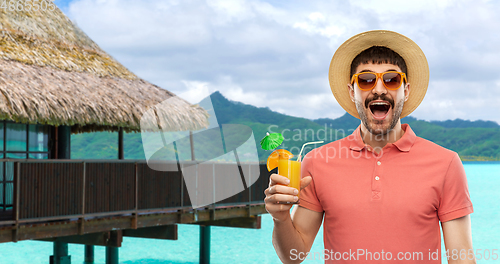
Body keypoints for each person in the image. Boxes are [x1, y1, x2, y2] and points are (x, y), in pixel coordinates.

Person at [264, 30, 475, 264]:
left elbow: (461, 257)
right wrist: (281, 218)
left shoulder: (445, 163)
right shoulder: (316, 162)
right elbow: (294, 256)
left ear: (405, 90)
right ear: (351, 91)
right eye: (365, 80)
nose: (379, 89)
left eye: (391, 79)